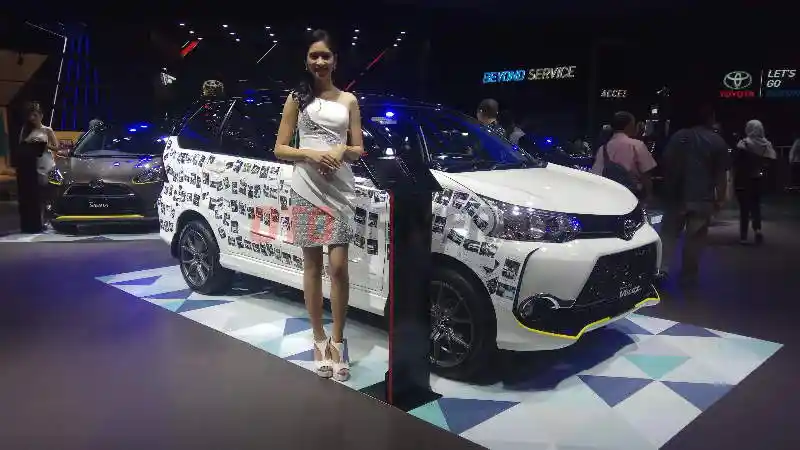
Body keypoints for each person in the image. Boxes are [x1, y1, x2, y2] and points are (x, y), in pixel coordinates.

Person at [274, 30, 363, 382]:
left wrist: (341, 149)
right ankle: (318, 339)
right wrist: (311, 153)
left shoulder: (349, 100)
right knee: (311, 266)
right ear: (306, 60)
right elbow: (280, 148)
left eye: (326, 55)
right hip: (307, 188)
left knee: (338, 268)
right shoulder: (298, 98)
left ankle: (338, 341)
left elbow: (358, 148)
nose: (320, 61)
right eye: (314, 55)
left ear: (335, 60)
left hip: (339, 190)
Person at [660, 104, 730, 286]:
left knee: (668, 234)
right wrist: (721, 198)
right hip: (702, 198)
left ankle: (662, 269)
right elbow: (720, 174)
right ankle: (688, 275)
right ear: (710, 119)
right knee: (695, 238)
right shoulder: (716, 141)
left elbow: (666, 162)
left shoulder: (677, 137)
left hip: (676, 195)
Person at [591, 111, 657, 202]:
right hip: (633, 196)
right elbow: (646, 174)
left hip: (609, 195)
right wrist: (649, 195)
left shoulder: (603, 148)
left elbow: (597, 174)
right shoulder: (637, 145)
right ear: (629, 126)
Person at [13, 102, 58, 233]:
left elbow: (56, 147)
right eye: (30, 115)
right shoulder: (26, 130)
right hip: (32, 165)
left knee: (50, 192)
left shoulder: (48, 130)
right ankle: (40, 221)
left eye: (35, 115)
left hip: (47, 163)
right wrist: (29, 143)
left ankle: (50, 218)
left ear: (41, 116)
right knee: (37, 195)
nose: (32, 118)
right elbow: (21, 146)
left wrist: (44, 145)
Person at [733, 120, 776, 245]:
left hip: (743, 180)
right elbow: (771, 161)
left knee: (744, 208)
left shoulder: (744, 143)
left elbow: (736, 162)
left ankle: (744, 236)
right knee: (756, 205)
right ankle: (757, 230)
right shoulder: (766, 145)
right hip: (758, 180)